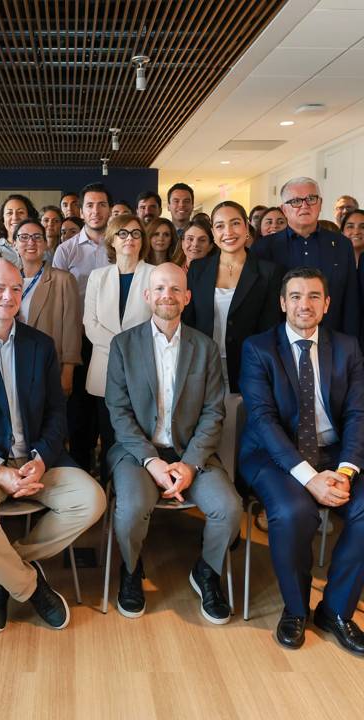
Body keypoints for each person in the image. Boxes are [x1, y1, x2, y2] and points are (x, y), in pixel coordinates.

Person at [0, 259, 105, 633]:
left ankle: (2, 568)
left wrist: (41, 460)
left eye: (14, 288)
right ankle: (29, 586)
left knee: (92, 501)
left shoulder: (40, 345)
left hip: (37, 460)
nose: (7, 297)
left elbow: (58, 413)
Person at [105, 262, 241, 624]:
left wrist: (190, 463)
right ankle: (131, 570)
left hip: (191, 452)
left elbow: (214, 413)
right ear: (148, 296)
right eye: (160, 289)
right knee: (131, 509)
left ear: (187, 296)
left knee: (228, 509)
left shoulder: (206, 347)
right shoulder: (122, 345)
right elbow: (118, 414)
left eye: (175, 289)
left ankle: (207, 571)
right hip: (138, 454)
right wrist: (152, 462)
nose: (168, 295)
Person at [238, 267, 364, 655]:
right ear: (282, 303)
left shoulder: (347, 347)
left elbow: (359, 414)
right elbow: (262, 420)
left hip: (334, 453)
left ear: (326, 304)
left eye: (313, 296)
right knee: (294, 512)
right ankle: (295, 609)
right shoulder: (258, 348)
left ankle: (337, 610)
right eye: (295, 296)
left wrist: (344, 471)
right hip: (273, 455)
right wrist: (310, 479)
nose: (303, 304)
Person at [183, 201, 283, 393]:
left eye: (235, 223)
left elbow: (270, 327)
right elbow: (189, 322)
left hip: (249, 367)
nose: (228, 232)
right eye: (220, 226)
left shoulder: (268, 271)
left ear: (247, 227)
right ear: (213, 233)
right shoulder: (198, 269)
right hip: (202, 367)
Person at [84, 214, 154, 484]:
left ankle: (135, 487)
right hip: (105, 368)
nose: (130, 239)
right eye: (123, 233)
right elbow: (89, 323)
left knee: (139, 434)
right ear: (112, 239)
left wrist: (130, 351)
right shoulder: (98, 277)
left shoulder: (154, 274)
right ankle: (107, 487)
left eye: (136, 233)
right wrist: (121, 349)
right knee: (108, 433)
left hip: (144, 368)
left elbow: (157, 321)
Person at [251, 177, 359, 337]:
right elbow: (257, 303)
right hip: (279, 344)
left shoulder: (342, 244)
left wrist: (352, 343)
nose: (304, 205)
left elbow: (351, 299)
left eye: (311, 199)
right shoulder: (264, 248)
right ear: (284, 209)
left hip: (333, 341)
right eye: (295, 201)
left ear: (320, 203)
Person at [53, 182, 112, 473]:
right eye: (90, 205)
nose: (96, 210)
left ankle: (111, 475)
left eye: (102, 204)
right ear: (81, 210)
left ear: (110, 209)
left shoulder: (119, 246)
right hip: (79, 339)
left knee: (110, 410)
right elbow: (60, 303)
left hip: (113, 340)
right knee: (78, 413)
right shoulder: (66, 252)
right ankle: (80, 473)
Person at [13, 218, 81, 397]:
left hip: (48, 365)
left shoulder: (63, 279)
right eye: (24, 237)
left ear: (45, 243)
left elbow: (71, 330)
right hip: (13, 363)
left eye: (37, 237)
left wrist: (67, 372)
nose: (31, 242)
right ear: (14, 243)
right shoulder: (8, 279)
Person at [0, 194, 38, 268]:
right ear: (3, 219)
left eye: (20, 212)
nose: (15, 217)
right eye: (9, 213)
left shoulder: (40, 248)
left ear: (29, 217)